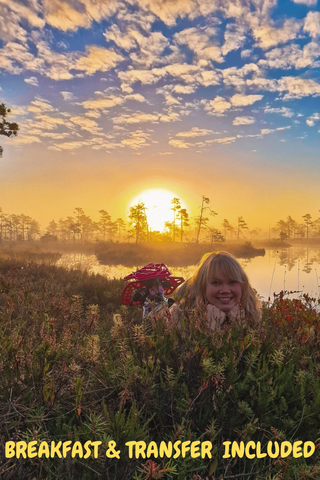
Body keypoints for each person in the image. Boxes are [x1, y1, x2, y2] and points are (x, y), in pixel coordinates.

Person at [170, 251, 261, 329]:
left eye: (232, 282)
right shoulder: (180, 318)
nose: (225, 290)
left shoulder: (252, 314)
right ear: (202, 287)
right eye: (216, 283)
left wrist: (239, 327)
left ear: (242, 286)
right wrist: (208, 329)